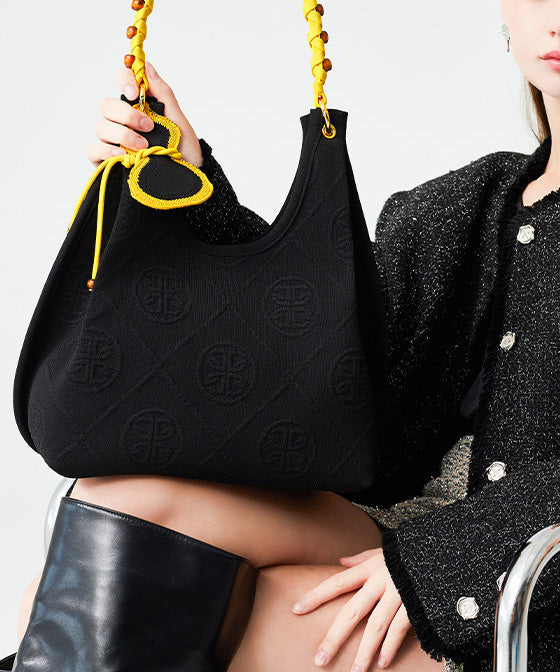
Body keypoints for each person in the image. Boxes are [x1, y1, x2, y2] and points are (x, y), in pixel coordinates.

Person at [12, 1, 560, 671]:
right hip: (399, 533)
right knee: (118, 505)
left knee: (169, 606)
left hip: (527, 588)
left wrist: (451, 563)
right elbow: (321, 369)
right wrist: (192, 184)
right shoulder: (455, 208)